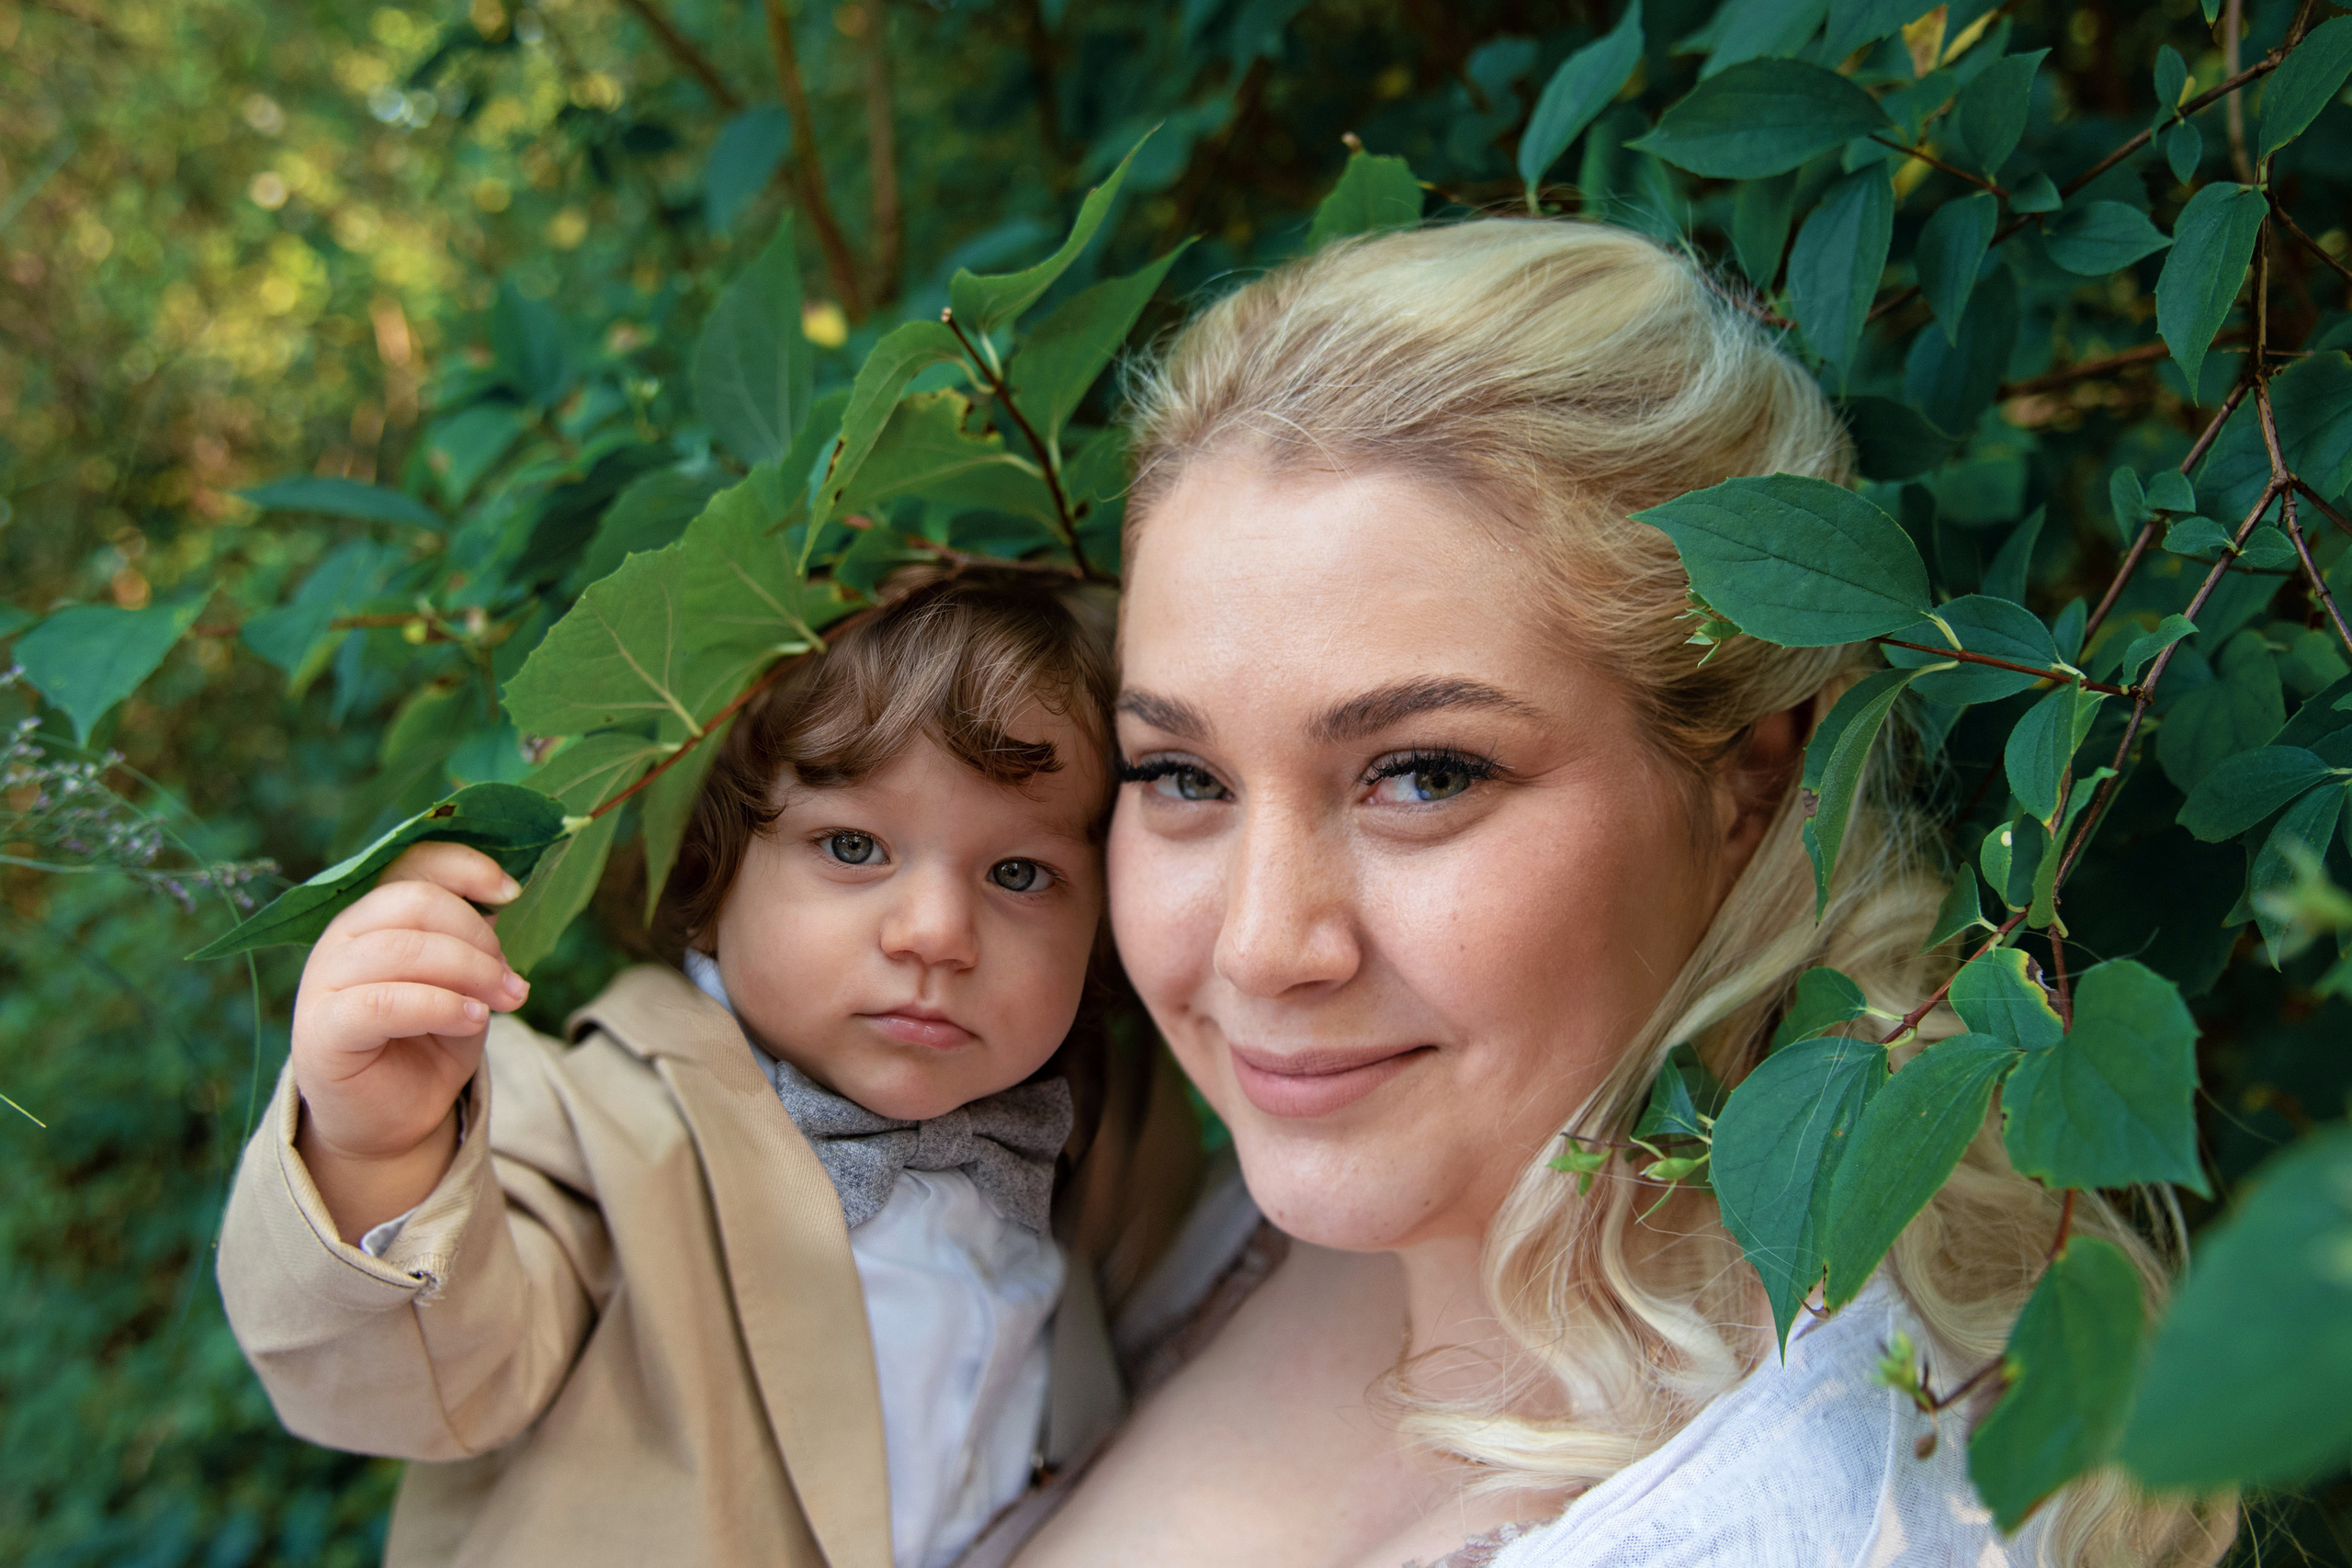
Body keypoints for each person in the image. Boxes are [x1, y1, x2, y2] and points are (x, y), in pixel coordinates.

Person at [1006, 220, 2235, 1568]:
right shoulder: (1277, 1201)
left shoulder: (1812, 1528)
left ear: (1752, 774)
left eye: (1422, 775)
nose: (1260, 947)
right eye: (1182, 775)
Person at [215, 570, 1185, 1568]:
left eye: (1020, 873)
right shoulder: (596, 1127)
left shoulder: (1093, 1133)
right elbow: (411, 1385)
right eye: (853, 845)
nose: (937, 932)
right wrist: (379, 1153)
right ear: (709, 872)